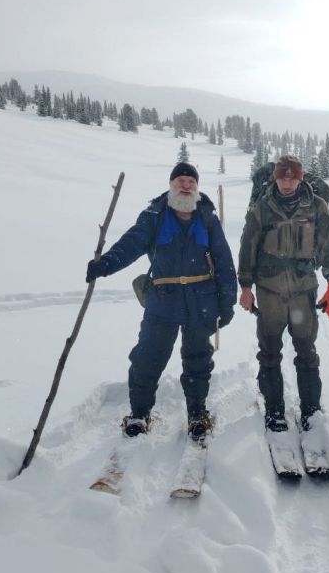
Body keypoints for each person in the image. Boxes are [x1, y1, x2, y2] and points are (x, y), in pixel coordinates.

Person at [86, 163, 237, 439]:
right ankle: (139, 414)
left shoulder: (207, 218)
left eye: (191, 181)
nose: (186, 185)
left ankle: (197, 414)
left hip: (201, 300)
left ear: (197, 187)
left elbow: (224, 262)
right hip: (162, 300)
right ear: (171, 184)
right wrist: (105, 264)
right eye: (181, 180)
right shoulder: (154, 216)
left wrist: (227, 303)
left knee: (198, 360)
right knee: (147, 358)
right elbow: (131, 245)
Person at [237, 155, 329, 432]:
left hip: (303, 290)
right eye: (282, 177)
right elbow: (247, 247)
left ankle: (311, 411)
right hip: (269, 290)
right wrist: (245, 287)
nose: (287, 182)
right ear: (275, 178)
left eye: (292, 177)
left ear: (299, 178)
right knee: (269, 351)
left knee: (306, 351)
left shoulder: (316, 206)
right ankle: (274, 411)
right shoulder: (262, 207)